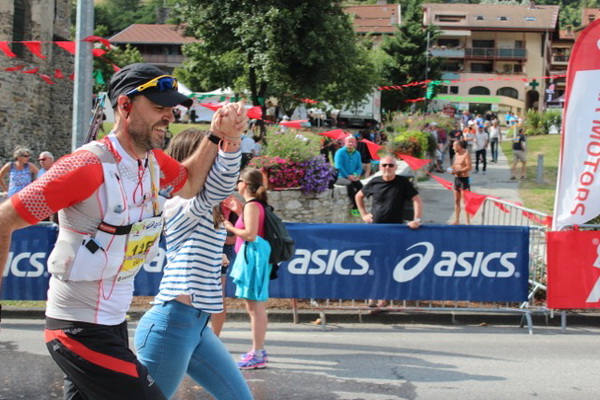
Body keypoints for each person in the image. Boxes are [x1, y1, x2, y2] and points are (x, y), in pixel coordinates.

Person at [0, 63, 247, 399]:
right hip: (78, 329)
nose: (169, 117)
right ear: (125, 106)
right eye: (159, 108)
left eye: (171, 109)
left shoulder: (152, 163)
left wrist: (218, 137)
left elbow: (190, 184)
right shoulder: (85, 166)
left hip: (113, 324)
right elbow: (5, 219)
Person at [134, 128, 253, 400]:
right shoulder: (180, 203)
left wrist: (216, 260)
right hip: (170, 326)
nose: (215, 164)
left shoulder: (204, 209)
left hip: (197, 326)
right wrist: (231, 140)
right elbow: (221, 185)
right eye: (212, 157)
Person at [355, 154, 423, 308]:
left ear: (396, 168)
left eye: (390, 165)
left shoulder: (402, 182)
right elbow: (359, 196)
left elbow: (417, 200)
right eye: (384, 165)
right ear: (380, 167)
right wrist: (364, 214)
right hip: (375, 230)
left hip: (395, 231)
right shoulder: (375, 181)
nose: (387, 168)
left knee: (388, 265)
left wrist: (417, 219)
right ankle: (373, 296)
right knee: (374, 265)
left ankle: (383, 297)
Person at [223, 168, 272, 370]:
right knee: (254, 306)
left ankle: (258, 352)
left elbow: (250, 234)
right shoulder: (252, 205)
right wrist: (238, 211)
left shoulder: (253, 205)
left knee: (255, 307)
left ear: (245, 184)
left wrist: (229, 225)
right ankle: (257, 350)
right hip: (252, 256)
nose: (237, 184)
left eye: (239, 180)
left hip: (252, 256)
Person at [212, 195, 243, 336]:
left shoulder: (226, 200)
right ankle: (213, 336)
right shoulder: (230, 199)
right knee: (217, 295)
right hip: (220, 248)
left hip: (218, 248)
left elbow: (235, 237)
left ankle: (213, 336)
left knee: (217, 296)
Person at [334, 136, 363, 217]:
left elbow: (359, 167)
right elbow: (338, 166)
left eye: (352, 142)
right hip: (340, 177)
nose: (350, 143)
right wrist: (347, 176)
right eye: (349, 141)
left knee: (360, 186)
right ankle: (355, 206)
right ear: (344, 143)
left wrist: (355, 175)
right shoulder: (339, 152)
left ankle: (356, 205)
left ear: (355, 143)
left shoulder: (357, 153)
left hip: (352, 177)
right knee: (349, 184)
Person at [449, 140, 472, 225]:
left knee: (465, 201)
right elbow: (454, 166)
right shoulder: (456, 155)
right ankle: (457, 220)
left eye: (454, 146)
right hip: (456, 179)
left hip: (464, 180)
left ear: (459, 146)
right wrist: (450, 169)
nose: (452, 147)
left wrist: (459, 171)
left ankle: (467, 221)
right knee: (456, 200)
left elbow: (469, 167)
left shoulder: (466, 155)